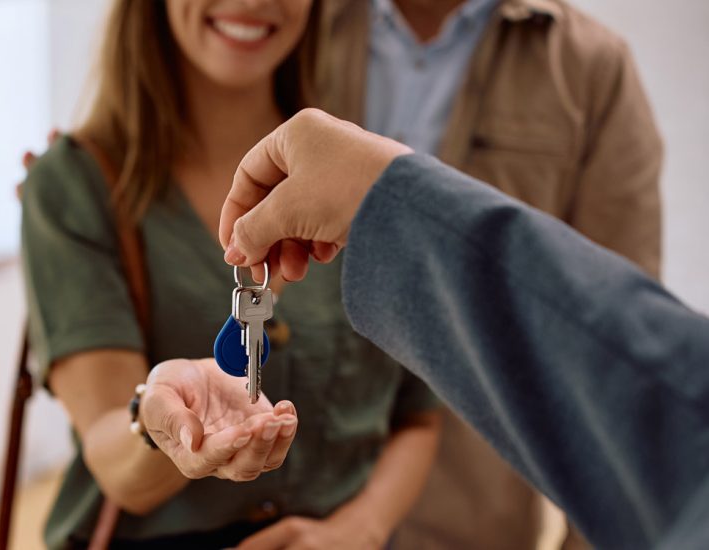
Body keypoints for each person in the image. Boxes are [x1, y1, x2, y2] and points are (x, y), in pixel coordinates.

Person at [137, 108, 709, 549]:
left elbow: (625, 364)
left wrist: (383, 196)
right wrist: (148, 416)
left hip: (480, 515)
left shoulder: (586, 64)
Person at [20, 1, 443, 547]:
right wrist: (158, 420)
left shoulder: (368, 176)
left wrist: (361, 528)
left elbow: (418, 417)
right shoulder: (74, 185)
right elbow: (115, 464)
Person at [314, 0, 665, 546]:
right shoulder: (287, 20)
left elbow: (615, 349)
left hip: (469, 522)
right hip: (288, 504)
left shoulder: (590, 67)